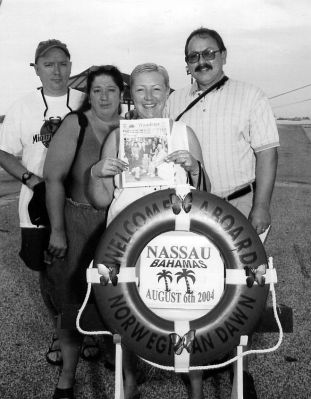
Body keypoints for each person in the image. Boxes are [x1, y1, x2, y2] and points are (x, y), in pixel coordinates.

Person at [165, 27, 280, 398]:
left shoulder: (251, 96)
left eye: (209, 53)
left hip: (239, 205)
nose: (202, 61)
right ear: (186, 64)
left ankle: (237, 369)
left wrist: (260, 206)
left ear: (224, 55)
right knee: (199, 288)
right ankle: (198, 363)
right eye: (193, 56)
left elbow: (267, 152)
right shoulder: (173, 100)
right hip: (192, 210)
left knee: (239, 293)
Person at [88, 63, 210, 399]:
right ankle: (129, 381)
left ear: (168, 92)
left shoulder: (185, 134)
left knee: (186, 312)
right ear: (131, 95)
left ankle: (195, 384)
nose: (149, 97)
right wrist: (98, 171)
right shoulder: (117, 136)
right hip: (124, 242)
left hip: (175, 244)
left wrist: (195, 168)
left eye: (157, 89)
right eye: (140, 89)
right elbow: (99, 199)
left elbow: (206, 199)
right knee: (127, 316)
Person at [0, 39, 87, 367]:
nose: (56, 70)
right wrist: (29, 179)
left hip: (80, 202)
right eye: (48, 64)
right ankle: (61, 331)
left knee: (85, 267)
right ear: (36, 68)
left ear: (70, 66)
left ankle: (87, 330)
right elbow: (4, 151)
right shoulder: (23, 106)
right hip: (36, 204)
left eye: (63, 63)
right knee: (50, 273)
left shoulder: (84, 101)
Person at [43, 65, 124, 399]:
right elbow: (52, 179)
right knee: (71, 299)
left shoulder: (135, 129)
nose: (104, 96)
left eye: (111, 90)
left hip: (118, 226)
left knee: (116, 296)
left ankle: (116, 360)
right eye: (97, 90)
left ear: (122, 94)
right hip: (78, 224)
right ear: (88, 94)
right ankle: (67, 376)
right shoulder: (76, 123)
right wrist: (58, 231)